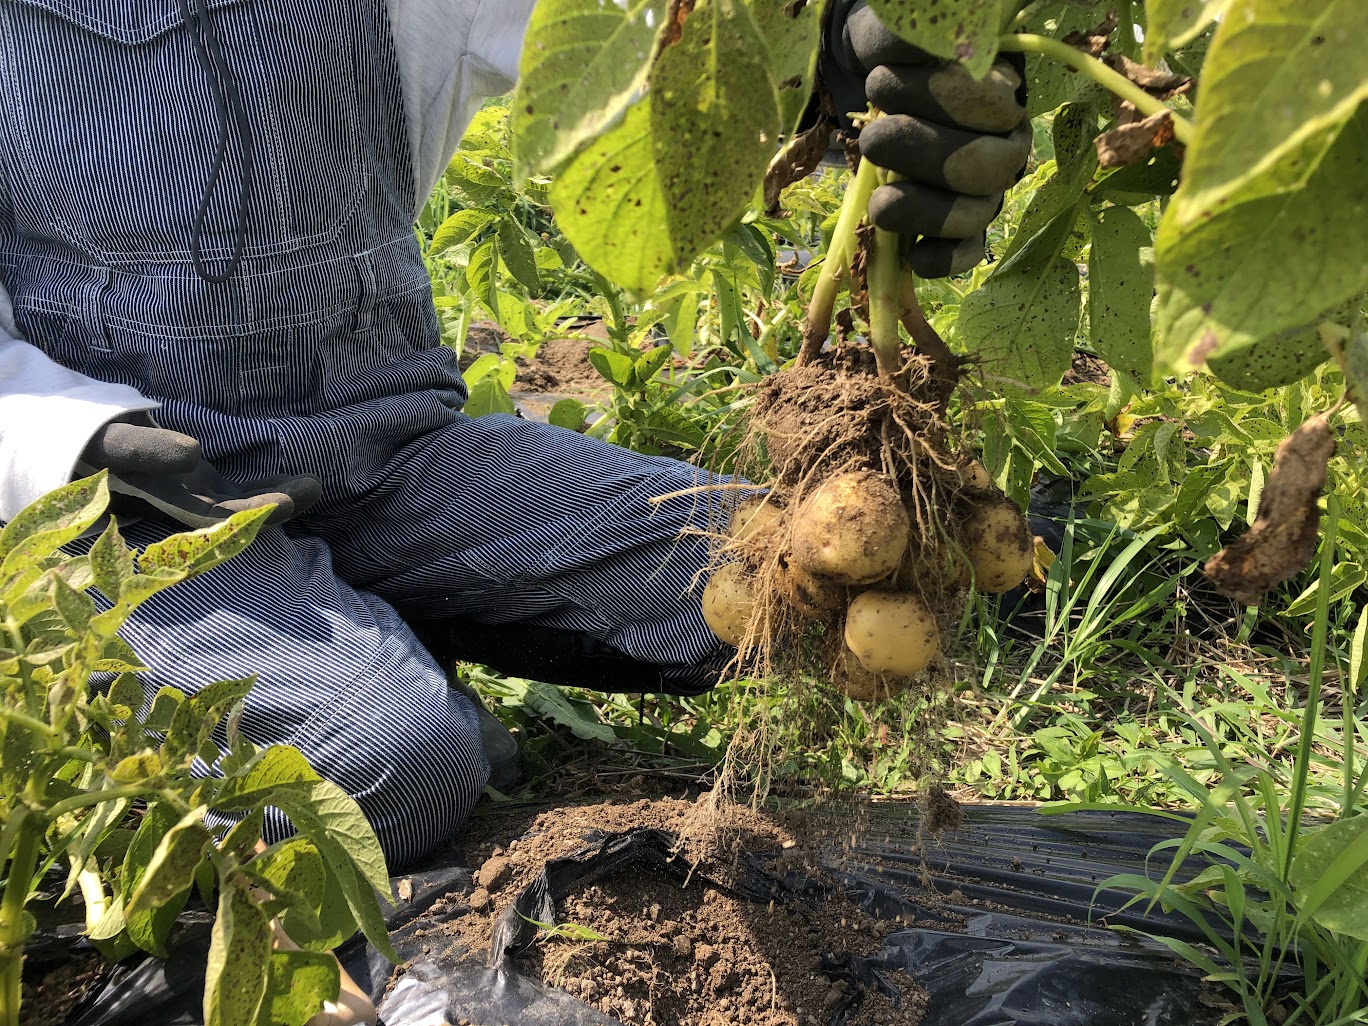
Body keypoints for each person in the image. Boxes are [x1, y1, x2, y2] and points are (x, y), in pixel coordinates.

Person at [0, 0, 1028, 868]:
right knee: (397, 761)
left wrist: (818, 50)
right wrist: (69, 438)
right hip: (130, 509)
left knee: (793, 575)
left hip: (387, 450)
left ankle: (353, 631)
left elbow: (626, 27)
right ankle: (278, 691)